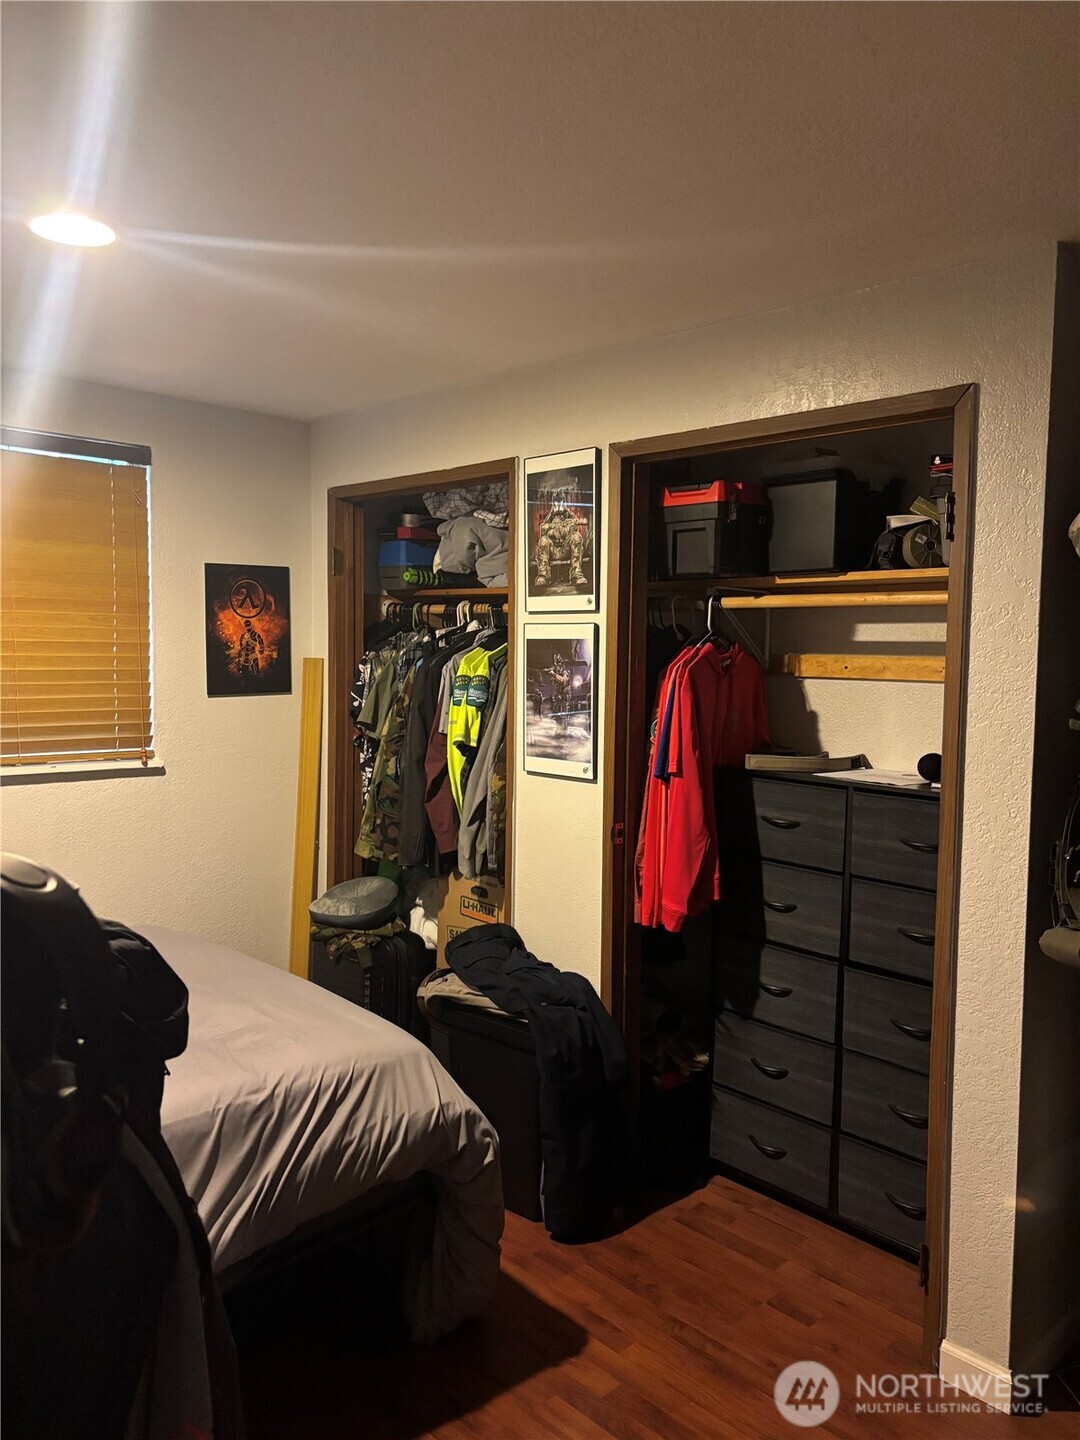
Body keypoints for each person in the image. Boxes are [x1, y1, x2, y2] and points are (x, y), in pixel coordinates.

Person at [534, 494, 586, 588]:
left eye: (560, 502)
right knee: (543, 541)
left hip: (565, 548)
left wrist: (562, 530)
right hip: (553, 549)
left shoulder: (569, 515)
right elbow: (543, 529)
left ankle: (576, 575)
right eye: (556, 502)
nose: (558, 505)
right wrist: (553, 531)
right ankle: (543, 575)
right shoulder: (550, 516)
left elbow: (573, 526)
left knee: (576, 537)